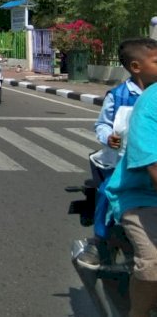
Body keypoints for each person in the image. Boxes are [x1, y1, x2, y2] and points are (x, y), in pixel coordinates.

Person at [78, 38, 157, 269]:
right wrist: (108, 137)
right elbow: (102, 124)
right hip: (119, 161)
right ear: (136, 67)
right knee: (107, 193)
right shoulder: (119, 95)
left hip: (149, 160)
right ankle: (99, 241)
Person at [104, 38, 157, 316]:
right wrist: (107, 136)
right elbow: (154, 167)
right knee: (153, 265)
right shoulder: (149, 102)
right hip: (142, 194)